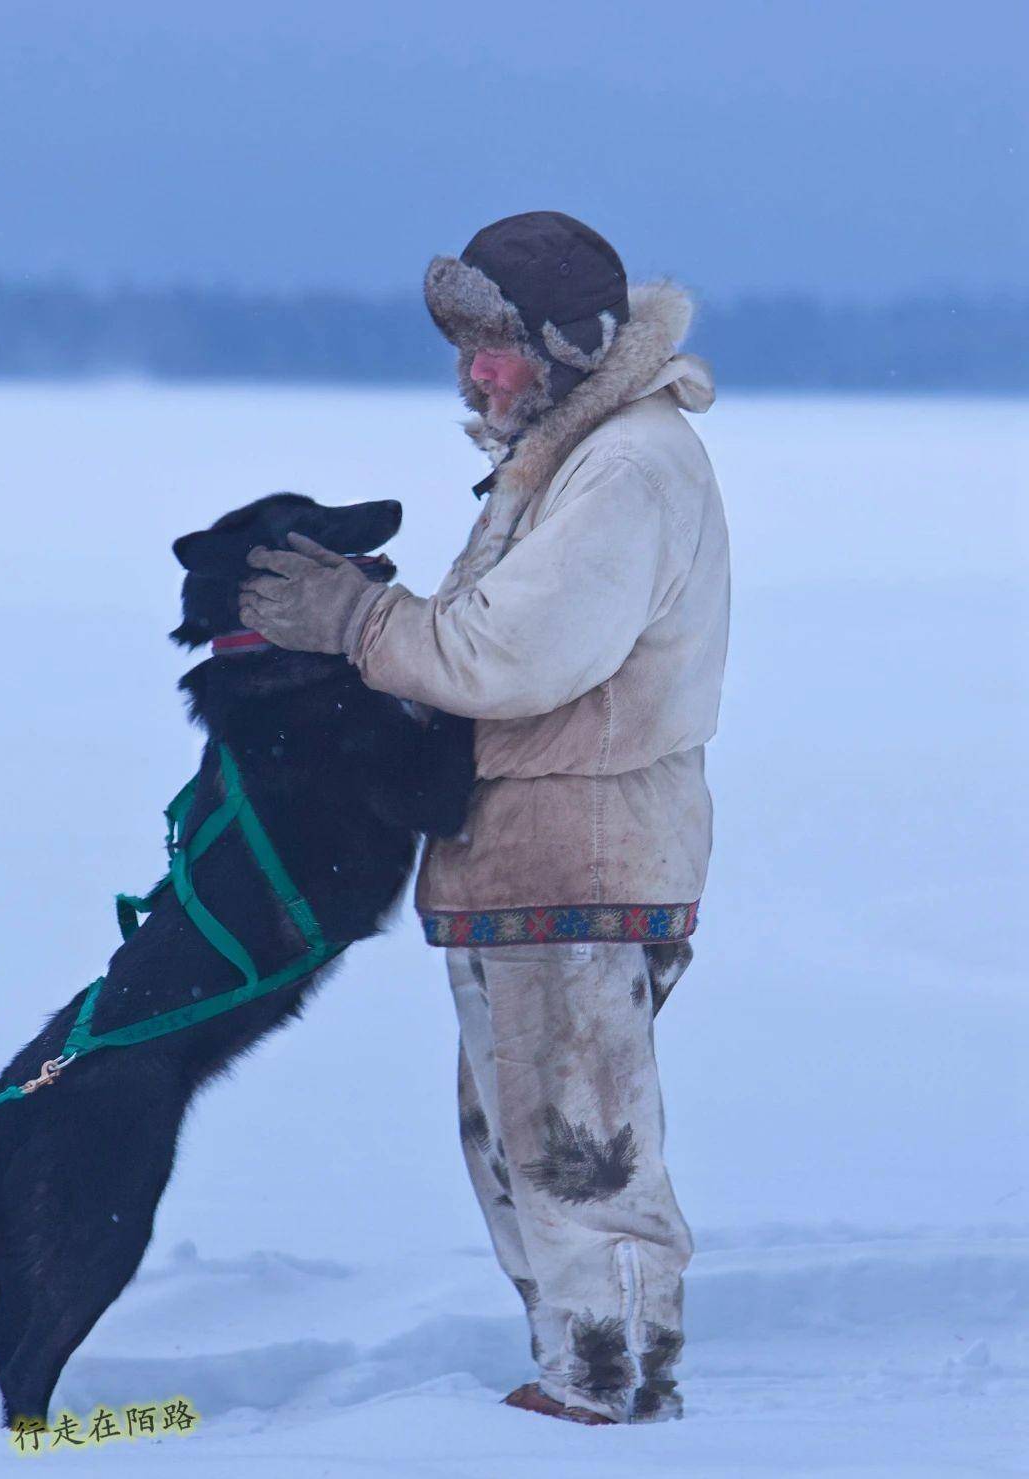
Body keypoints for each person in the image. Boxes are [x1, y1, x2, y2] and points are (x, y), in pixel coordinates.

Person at [238, 211, 729, 1426]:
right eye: (462, 348)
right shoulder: (566, 459)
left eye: (492, 346)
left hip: (580, 857)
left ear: (567, 347)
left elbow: (508, 657)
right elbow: (482, 644)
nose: (472, 373)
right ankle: (587, 1368)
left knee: (577, 1149)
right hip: (533, 861)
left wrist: (356, 621)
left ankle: (613, 1391)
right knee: (520, 1140)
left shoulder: (624, 468)